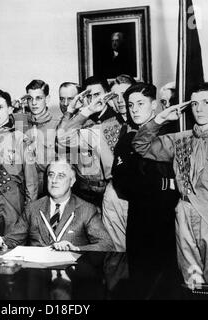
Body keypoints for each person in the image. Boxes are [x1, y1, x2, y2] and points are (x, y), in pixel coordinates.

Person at [132, 82, 208, 285]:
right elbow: (140, 145)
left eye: (206, 102)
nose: (199, 108)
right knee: (191, 282)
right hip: (184, 215)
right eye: (195, 103)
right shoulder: (181, 140)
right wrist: (160, 119)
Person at [112, 83, 181, 298]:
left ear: (154, 105)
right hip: (139, 218)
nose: (134, 109)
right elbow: (122, 183)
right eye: (131, 104)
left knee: (168, 282)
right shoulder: (125, 140)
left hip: (170, 219)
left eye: (140, 103)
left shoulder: (171, 134)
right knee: (140, 283)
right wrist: (151, 185)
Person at [56, 76, 129, 252]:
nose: (94, 100)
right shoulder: (82, 120)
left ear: (108, 95)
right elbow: (61, 139)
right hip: (84, 194)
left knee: (111, 246)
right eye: (89, 96)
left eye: (98, 94)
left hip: (111, 193)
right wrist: (74, 112)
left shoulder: (118, 121)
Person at [0, 159, 112, 251]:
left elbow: (106, 244)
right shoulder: (33, 208)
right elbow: (13, 239)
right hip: (39, 277)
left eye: (61, 176)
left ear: (72, 181)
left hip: (72, 276)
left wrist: (76, 249)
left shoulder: (86, 210)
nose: (54, 180)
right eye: (51, 175)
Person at [0, 90, 38, 236]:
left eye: (0, 107)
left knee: (13, 245)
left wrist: (29, 211)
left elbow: (31, 181)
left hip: (12, 201)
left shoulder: (20, 139)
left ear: (10, 109)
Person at [24, 79, 59, 197]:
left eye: (39, 98)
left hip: (50, 187)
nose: (34, 103)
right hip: (27, 189)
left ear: (47, 99)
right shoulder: (21, 123)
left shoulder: (57, 125)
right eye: (30, 98)